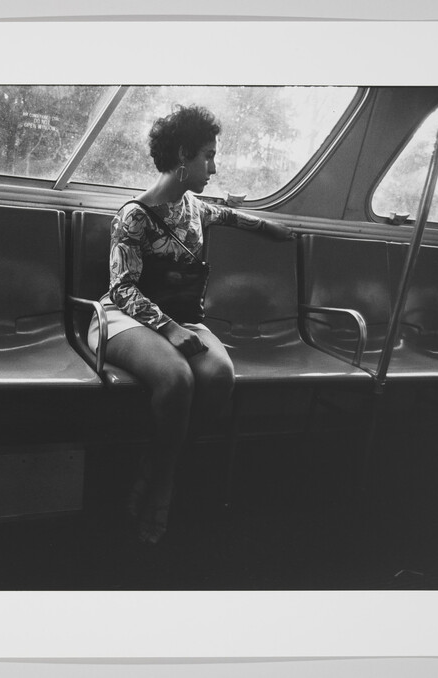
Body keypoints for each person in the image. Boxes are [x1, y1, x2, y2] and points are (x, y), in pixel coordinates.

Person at [87, 104, 295, 544]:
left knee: (220, 375)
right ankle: (162, 486)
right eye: (207, 155)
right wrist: (170, 330)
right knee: (177, 378)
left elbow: (234, 217)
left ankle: (161, 466)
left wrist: (273, 227)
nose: (214, 168)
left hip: (180, 318)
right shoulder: (134, 216)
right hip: (123, 318)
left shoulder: (196, 210)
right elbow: (122, 288)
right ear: (182, 155)